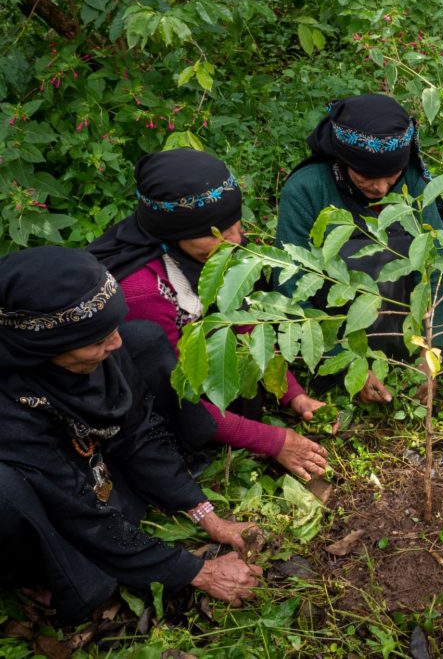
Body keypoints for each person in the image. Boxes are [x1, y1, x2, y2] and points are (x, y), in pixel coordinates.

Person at [0, 247, 262, 621]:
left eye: (111, 328)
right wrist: (196, 572)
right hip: (28, 483)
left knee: (144, 340)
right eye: (96, 340)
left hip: (74, 455)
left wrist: (204, 514)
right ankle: (40, 574)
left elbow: (139, 431)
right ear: (42, 347)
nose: (115, 343)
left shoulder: (101, 345)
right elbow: (74, 507)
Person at [89, 149, 330, 481]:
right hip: (160, 404)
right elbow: (177, 396)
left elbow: (243, 320)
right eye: (217, 233)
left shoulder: (214, 251)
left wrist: (294, 395)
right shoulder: (143, 289)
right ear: (172, 233)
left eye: (235, 224)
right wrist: (273, 441)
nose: (234, 240)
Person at [276, 94, 443, 403]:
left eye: (392, 177)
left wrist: (431, 348)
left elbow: (434, 261)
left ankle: (442, 341)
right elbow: (291, 286)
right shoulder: (305, 189)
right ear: (341, 160)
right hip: (347, 316)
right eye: (367, 176)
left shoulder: (412, 178)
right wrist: (349, 364)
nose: (381, 189)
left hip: (408, 303)